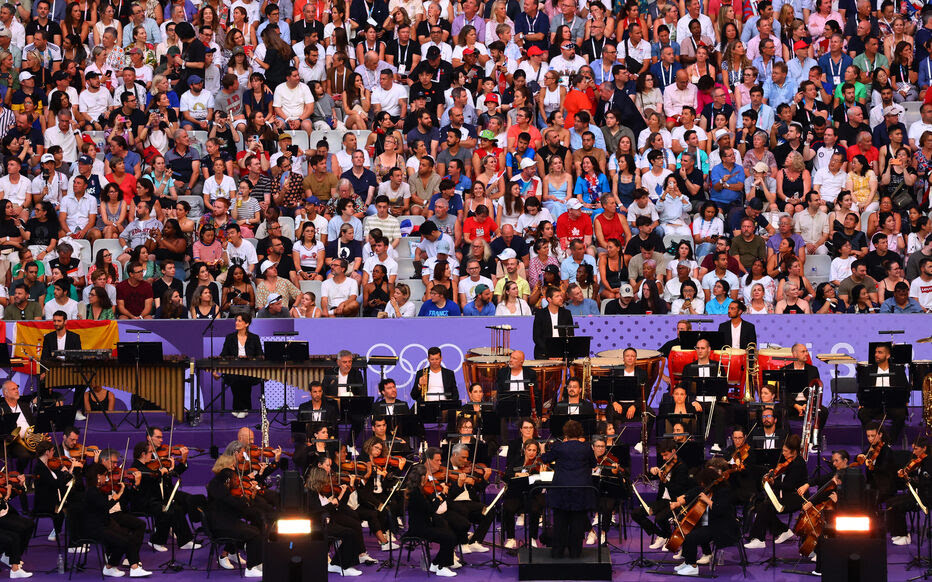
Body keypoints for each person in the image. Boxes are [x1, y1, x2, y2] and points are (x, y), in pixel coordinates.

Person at [539, 419, 596, 559]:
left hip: (561, 490)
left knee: (560, 523)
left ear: (566, 433)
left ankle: (557, 553)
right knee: (577, 523)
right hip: (581, 490)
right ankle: (575, 553)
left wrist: (542, 449)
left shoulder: (559, 447)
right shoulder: (586, 447)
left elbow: (545, 459)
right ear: (580, 432)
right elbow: (593, 464)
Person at [744, 434, 807, 549]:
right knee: (761, 504)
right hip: (787, 494)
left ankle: (759, 539)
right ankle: (782, 530)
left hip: (796, 497)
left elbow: (789, 486)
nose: (783, 453)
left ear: (793, 452)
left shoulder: (798, 464)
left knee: (766, 506)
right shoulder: (790, 460)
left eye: (785, 451)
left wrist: (774, 482)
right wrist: (774, 473)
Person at [215, 313, 263, 418]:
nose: (236, 323)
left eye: (240, 321)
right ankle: (241, 408)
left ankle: (241, 408)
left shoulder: (254, 338)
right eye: (236, 320)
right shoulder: (230, 338)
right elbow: (223, 354)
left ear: (247, 324)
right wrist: (216, 369)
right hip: (234, 370)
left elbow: (260, 355)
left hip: (251, 370)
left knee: (244, 378)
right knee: (236, 377)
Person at [532, 286, 574, 359]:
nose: (561, 298)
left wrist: (560, 352)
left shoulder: (566, 313)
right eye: (557, 296)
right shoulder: (540, 314)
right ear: (549, 299)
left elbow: (570, 335)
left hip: (562, 350)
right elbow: (537, 337)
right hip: (544, 351)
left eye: (561, 296)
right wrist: (550, 352)